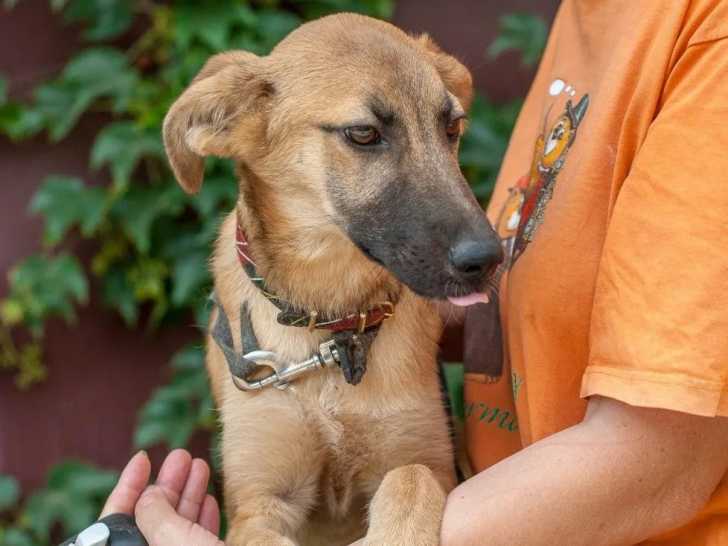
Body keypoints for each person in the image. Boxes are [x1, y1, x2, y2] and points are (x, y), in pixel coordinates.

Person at [104, 1, 728, 544]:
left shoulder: (703, 33)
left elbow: (664, 460)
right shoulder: (586, 15)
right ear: (230, 124)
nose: (475, 239)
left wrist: (415, 491)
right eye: (364, 135)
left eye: (449, 128)